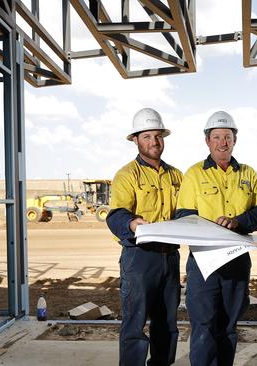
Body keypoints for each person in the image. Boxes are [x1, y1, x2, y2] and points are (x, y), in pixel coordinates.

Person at [175, 111, 257, 366]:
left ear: (234, 140)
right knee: (203, 326)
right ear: (208, 141)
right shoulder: (194, 174)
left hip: (237, 260)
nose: (222, 142)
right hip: (204, 262)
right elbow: (184, 214)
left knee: (228, 326)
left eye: (227, 137)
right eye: (216, 137)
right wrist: (212, 230)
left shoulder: (248, 174)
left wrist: (238, 222)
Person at [106, 108, 183, 366]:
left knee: (167, 323)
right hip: (139, 259)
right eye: (147, 136)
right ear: (135, 140)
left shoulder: (176, 176)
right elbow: (115, 214)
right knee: (134, 324)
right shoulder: (127, 175)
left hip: (170, 258)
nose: (154, 142)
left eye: (158, 136)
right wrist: (131, 222)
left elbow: (185, 213)